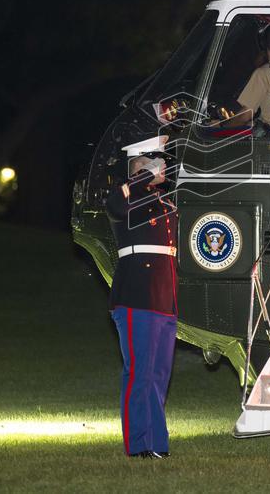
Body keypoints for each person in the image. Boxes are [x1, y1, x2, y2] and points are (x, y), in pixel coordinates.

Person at [105, 135, 178, 459]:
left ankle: (157, 443)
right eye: (153, 162)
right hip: (137, 294)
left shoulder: (166, 203)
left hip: (163, 296)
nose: (161, 167)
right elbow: (116, 205)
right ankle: (139, 444)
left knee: (159, 373)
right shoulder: (126, 197)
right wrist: (144, 177)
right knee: (141, 371)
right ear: (138, 165)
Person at [228, 20, 270, 128]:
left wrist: (221, 128)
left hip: (269, 140)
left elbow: (245, 116)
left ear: (263, 45)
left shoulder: (264, 73)